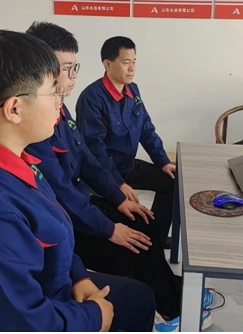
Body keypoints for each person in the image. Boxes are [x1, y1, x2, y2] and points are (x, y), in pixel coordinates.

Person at [0, 30, 155, 332]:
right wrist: (93, 317)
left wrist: (79, 276)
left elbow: (52, 230)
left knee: (137, 298)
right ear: (14, 109)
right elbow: (20, 324)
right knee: (128, 301)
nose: (60, 103)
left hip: (49, 285)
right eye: (53, 92)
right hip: (29, 312)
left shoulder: (10, 159)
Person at [24, 22, 215, 329]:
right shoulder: (48, 119)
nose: (73, 76)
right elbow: (65, 189)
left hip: (88, 199)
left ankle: (172, 292)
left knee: (142, 224)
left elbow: (86, 157)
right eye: (66, 68)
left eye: (74, 68)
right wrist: (111, 227)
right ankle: (172, 310)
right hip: (69, 219)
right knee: (137, 244)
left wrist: (118, 198)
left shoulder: (62, 109)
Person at [75, 36, 175, 247]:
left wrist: (163, 162)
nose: (132, 68)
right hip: (104, 173)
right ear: (107, 64)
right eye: (126, 62)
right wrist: (118, 184)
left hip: (128, 166)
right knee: (131, 213)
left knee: (172, 183)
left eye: (134, 61)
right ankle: (144, 240)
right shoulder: (91, 98)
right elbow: (95, 148)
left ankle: (156, 238)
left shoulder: (133, 90)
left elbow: (146, 129)